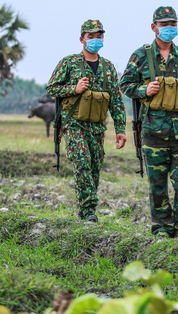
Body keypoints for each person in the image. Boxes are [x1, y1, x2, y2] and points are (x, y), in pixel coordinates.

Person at [120, 6, 178, 240]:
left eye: (173, 24)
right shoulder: (141, 55)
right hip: (153, 131)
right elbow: (124, 84)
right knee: (158, 185)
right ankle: (161, 228)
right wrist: (143, 89)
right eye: (165, 24)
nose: (169, 28)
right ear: (154, 27)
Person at [46, 20, 127, 222]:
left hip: (98, 126)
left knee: (94, 166)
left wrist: (120, 129)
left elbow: (116, 100)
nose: (95, 40)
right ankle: (90, 209)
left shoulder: (108, 67)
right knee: (82, 163)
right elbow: (51, 88)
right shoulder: (69, 63)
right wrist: (73, 89)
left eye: (99, 36)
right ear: (82, 39)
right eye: (91, 36)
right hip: (74, 124)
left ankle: (84, 212)